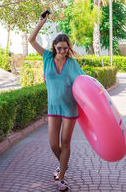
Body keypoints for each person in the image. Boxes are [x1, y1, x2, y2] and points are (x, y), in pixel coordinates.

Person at [28, 11, 85, 191]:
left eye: (65, 48)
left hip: (69, 108)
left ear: (69, 48)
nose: (62, 51)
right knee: (54, 144)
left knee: (65, 142)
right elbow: (31, 40)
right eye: (59, 48)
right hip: (54, 108)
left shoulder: (72, 64)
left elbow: (83, 83)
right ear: (54, 47)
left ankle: (61, 178)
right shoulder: (46, 58)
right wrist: (41, 23)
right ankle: (63, 164)